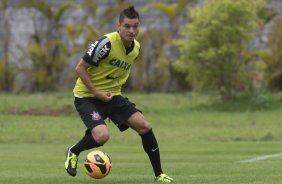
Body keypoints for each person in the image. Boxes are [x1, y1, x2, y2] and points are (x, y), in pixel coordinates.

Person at [64, 6, 175, 183]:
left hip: (113, 96)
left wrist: (114, 92)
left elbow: (118, 72)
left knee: (144, 126)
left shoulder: (136, 48)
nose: (131, 31)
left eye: (135, 26)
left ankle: (159, 175)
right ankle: (74, 151)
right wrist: (96, 92)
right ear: (119, 26)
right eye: (127, 26)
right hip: (87, 97)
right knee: (102, 136)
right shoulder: (105, 44)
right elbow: (80, 68)